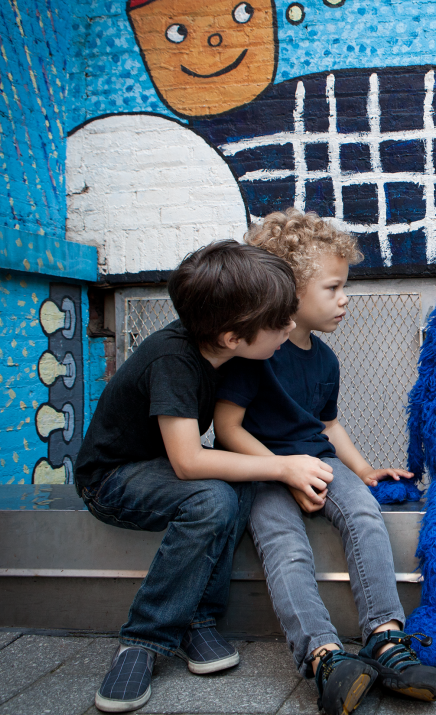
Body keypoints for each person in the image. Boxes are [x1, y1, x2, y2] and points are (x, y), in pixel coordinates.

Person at [213, 209, 436, 715]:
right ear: (289, 290)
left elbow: (326, 425)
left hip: (318, 464)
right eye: (333, 287)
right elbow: (227, 430)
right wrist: (282, 469)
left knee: (364, 513)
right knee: (284, 545)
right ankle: (323, 656)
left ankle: (385, 640)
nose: (344, 299)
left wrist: (362, 470)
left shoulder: (324, 358)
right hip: (261, 469)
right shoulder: (255, 354)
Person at [74, 240, 301, 713]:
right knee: (211, 499)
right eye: (279, 323)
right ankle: (144, 639)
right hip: (112, 478)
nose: (290, 327)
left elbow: (221, 441)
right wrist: (283, 465)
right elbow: (188, 463)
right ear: (232, 338)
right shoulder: (173, 358)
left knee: (240, 483)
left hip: (161, 468)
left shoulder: (230, 348)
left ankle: (199, 619)